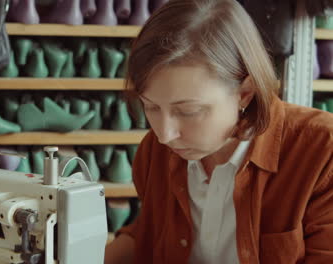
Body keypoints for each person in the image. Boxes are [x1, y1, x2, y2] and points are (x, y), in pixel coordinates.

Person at [104, 0, 333, 263]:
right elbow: (150, 233)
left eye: (188, 111)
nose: (164, 135)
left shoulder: (323, 153)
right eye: (151, 107)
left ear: (245, 93)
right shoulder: (154, 152)